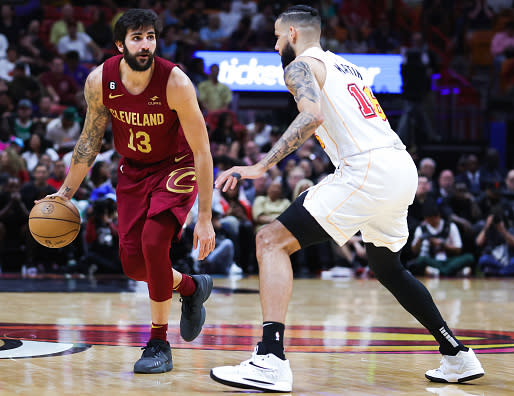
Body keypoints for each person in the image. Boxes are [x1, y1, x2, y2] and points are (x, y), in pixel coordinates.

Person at [210, 6, 484, 392]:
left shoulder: (300, 65)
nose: (274, 46)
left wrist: (259, 166)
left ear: (292, 34)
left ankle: (270, 359)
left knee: (269, 240)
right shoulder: (344, 65)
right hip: (400, 166)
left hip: (367, 169)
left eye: (275, 37)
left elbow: (311, 117)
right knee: (388, 268)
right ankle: (457, 355)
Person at [41, 9, 216, 374]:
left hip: (176, 166)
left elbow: (202, 151)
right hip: (132, 172)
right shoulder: (99, 81)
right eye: (137, 38)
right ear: (120, 44)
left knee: (154, 244)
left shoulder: (176, 82)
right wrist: (65, 194)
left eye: (150, 36)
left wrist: (205, 218)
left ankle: (158, 342)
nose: (145, 44)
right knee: (135, 265)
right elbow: (88, 143)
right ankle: (189, 287)